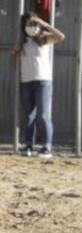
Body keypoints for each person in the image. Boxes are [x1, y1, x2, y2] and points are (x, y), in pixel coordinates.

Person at [10, 11, 64, 157]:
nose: (32, 27)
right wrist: (15, 52)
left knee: (44, 115)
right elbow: (13, 64)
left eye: (34, 23)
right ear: (24, 26)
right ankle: (28, 145)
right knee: (29, 116)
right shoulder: (22, 42)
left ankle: (47, 147)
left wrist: (44, 24)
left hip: (43, 81)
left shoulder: (44, 38)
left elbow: (61, 36)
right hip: (26, 82)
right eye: (29, 24)